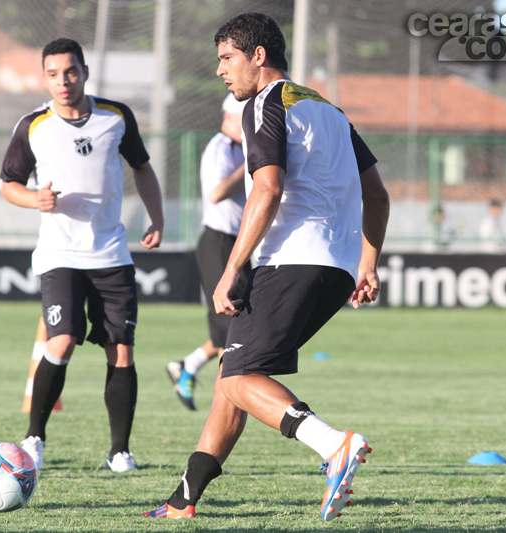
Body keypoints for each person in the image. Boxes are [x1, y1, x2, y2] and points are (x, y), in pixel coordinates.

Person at [144, 13, 389, 521]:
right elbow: (377, 195)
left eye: (227, 58)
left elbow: (268, 187)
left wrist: (233, 267)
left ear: (259, 56)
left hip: (292, 258)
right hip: (336, 267)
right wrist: (367, 264)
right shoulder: (330, 110)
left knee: (236, 378)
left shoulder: (264, 103)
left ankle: (333, 446)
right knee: (234, 377)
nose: (220, 71)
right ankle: (182, 501)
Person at [0, 38, 164, 473]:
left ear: (85, 72)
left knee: (121, 350)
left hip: (111, 253)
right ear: (44, 79)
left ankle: (119, 451)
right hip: (59, 255)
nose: (63, 81)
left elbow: (142, 167)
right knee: (62, 340)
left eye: (70, 72)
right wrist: (36, 199)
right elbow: (9, 183)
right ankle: (34, 438)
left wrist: (157, 218)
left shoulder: (116, 117)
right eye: (53, 74)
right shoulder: (32, 125)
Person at [166, 93, 250, 411]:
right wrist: (253, 167)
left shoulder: (239, 149)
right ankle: (228, 398)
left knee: (235, 323)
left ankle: (188, 365)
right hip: (218, 241)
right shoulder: (221, 148)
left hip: (234, 243)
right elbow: (217, 192)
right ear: (230, 117)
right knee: (232, 324)